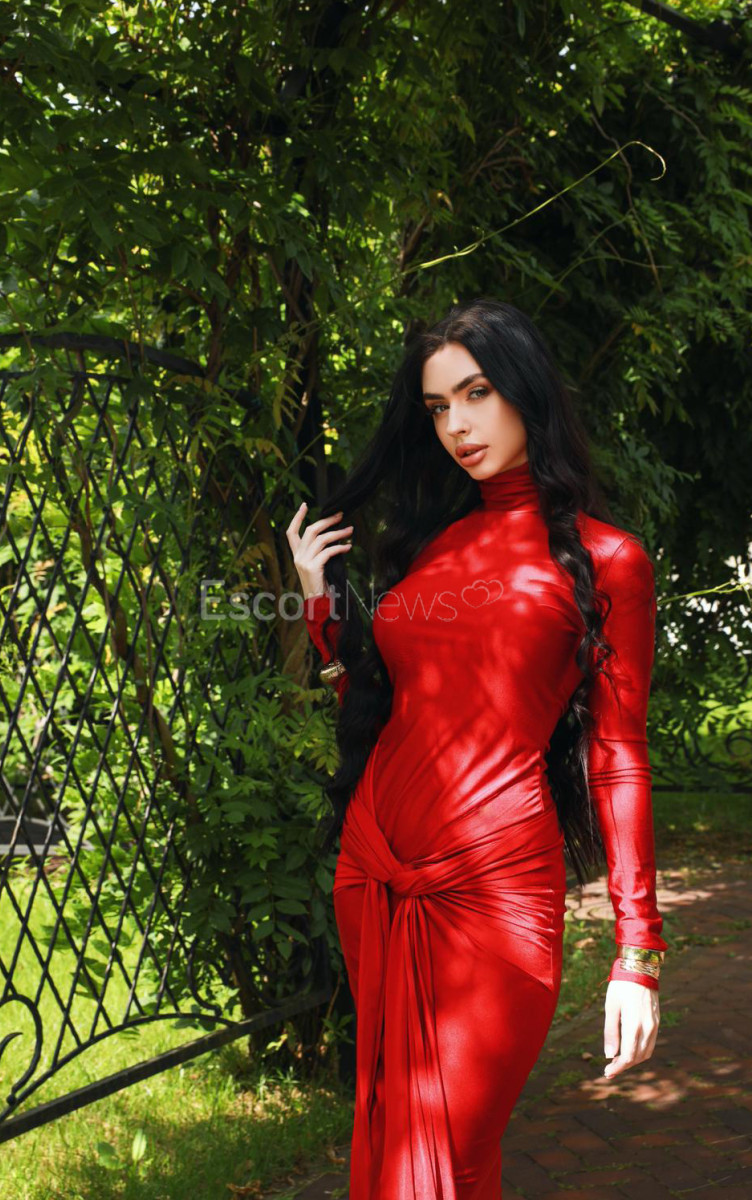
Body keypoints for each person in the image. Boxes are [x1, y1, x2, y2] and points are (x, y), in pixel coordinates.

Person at [285, 296, 667, 1200]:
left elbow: (617, 755)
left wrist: (638, 952)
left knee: (451, 1154)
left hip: (493, 893)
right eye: (437, 407)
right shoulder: (435, 548)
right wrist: (319, 601)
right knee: (398, 1136)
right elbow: (393, 699)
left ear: (526, 389)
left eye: (477, 393)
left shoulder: (609, 561)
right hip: (373, 874)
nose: (456, 425)